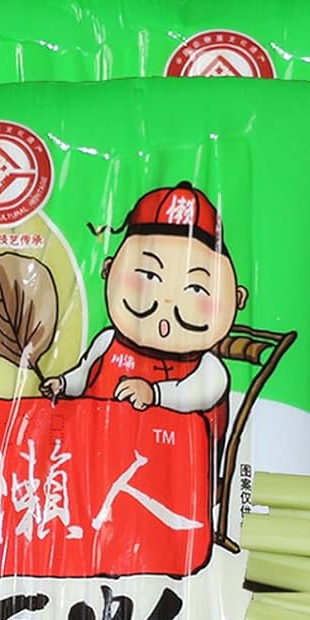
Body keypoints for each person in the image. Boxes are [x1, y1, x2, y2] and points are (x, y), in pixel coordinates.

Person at [41, 181, 244, 457]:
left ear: (237, 298)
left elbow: (200, 393)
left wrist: (155, 394)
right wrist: (64, 384)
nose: (168, 299)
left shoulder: (208, 368)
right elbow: (84, 374)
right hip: (98, 455)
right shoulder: (107, 341)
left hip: (179, 465)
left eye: (196, 288)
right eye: (148, 275)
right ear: (108, 270)